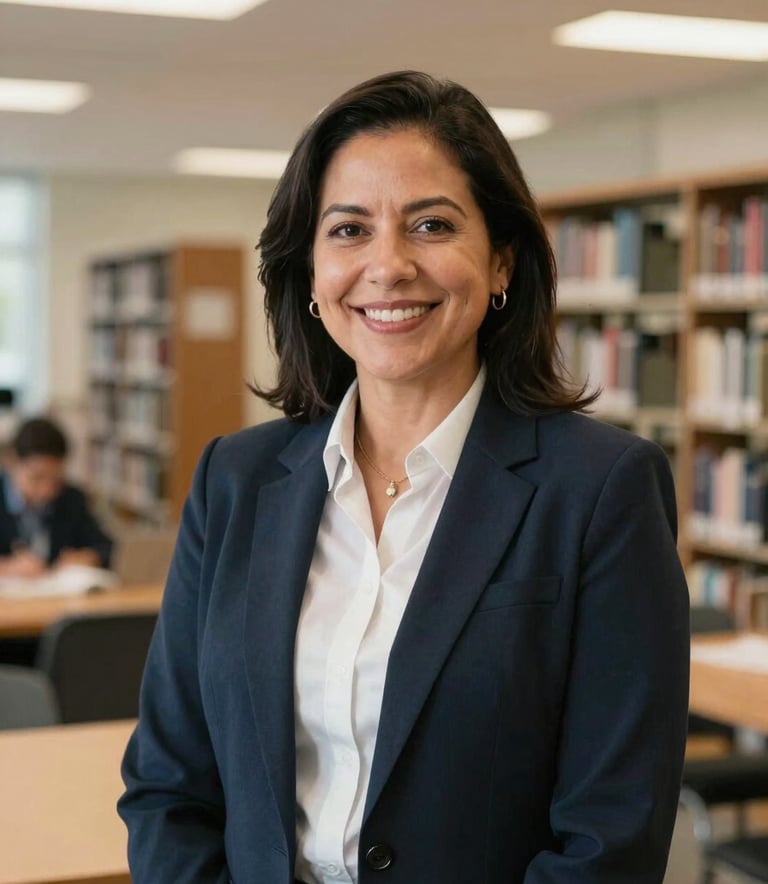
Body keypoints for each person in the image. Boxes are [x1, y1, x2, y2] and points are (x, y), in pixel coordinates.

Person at [118, 71, 689, 883]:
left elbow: (611, 836)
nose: (387, 266)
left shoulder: (601, 492)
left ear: (500, 262)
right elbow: (169, 785)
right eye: (348, 231)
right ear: (310, 274)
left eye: (430, 225)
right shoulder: (234, 482)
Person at [0, 416, 113, 576]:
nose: (47, 490)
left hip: (59, 597)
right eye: (37, 477)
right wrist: (7, 567)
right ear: (12, 463)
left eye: (56, 479)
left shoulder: (71, 498)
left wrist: (89, 557)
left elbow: (106, 547)